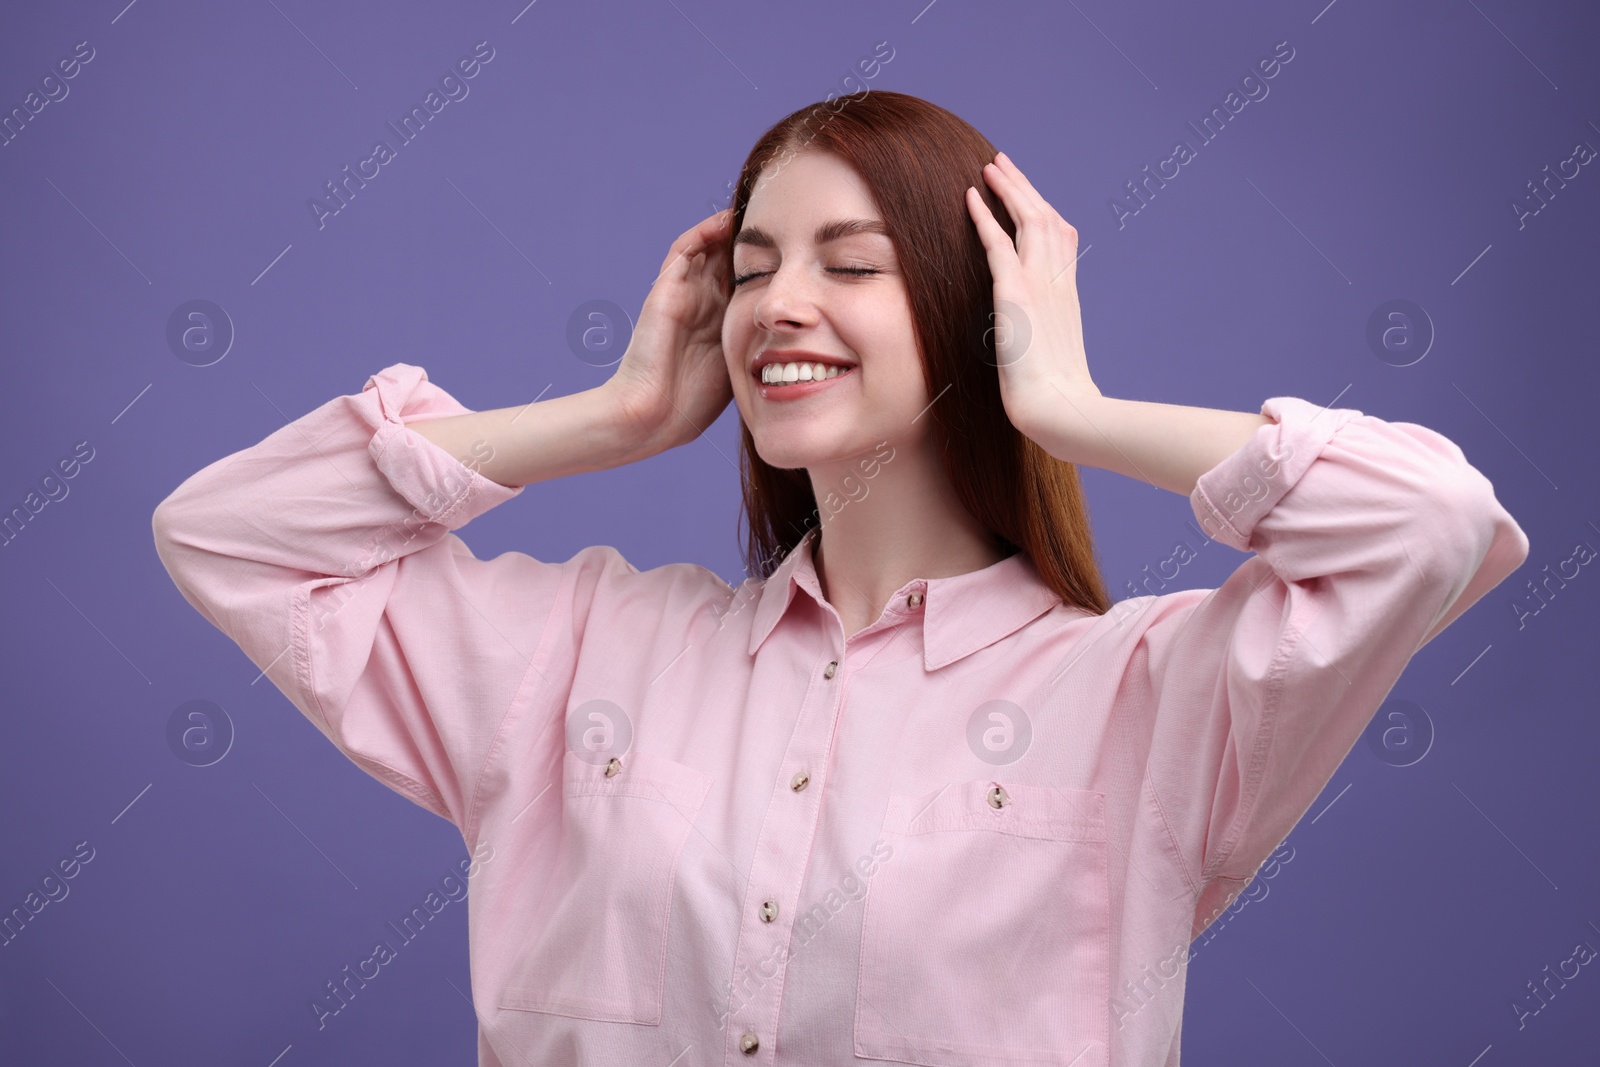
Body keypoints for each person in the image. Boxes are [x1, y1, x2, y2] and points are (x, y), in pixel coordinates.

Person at [152, 91, 1529, 1066]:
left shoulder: (1150, 696)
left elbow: (1432, 520)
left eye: (848, 263)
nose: (777, 304)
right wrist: (612, 418)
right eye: (750, 270)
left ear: (969, 307)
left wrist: (1069, 403)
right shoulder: (577, 653)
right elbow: (231, 534)